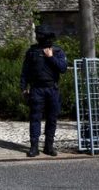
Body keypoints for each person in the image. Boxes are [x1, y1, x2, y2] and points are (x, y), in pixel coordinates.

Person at [21, 24, 67, 157]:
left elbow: (63, 68)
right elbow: (25, 71)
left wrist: (51, 57)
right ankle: (34, 147)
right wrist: (23, 88)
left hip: (52, 88)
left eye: (41, 35)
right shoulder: (32, 51)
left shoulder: (57, 51)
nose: (38, 37)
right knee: (35, 118)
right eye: (37, 34)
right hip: (37, 89)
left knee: (52, 118)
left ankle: (49, 146)